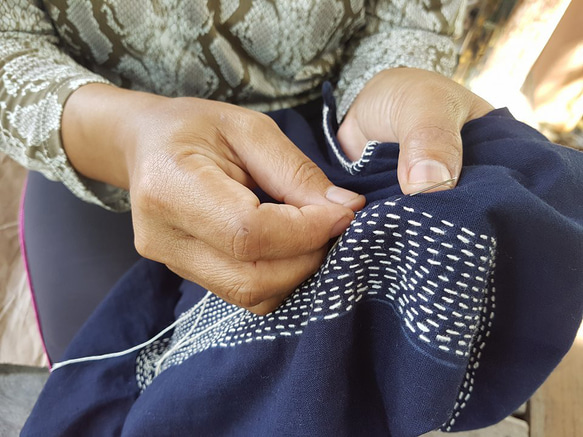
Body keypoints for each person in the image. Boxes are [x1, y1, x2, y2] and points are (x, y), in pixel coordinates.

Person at [0, 1, 493, 362]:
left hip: (330, 133)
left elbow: (411, 18)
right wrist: (125, 136)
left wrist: (390, 82)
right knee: (102, 368)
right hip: (95, 131)